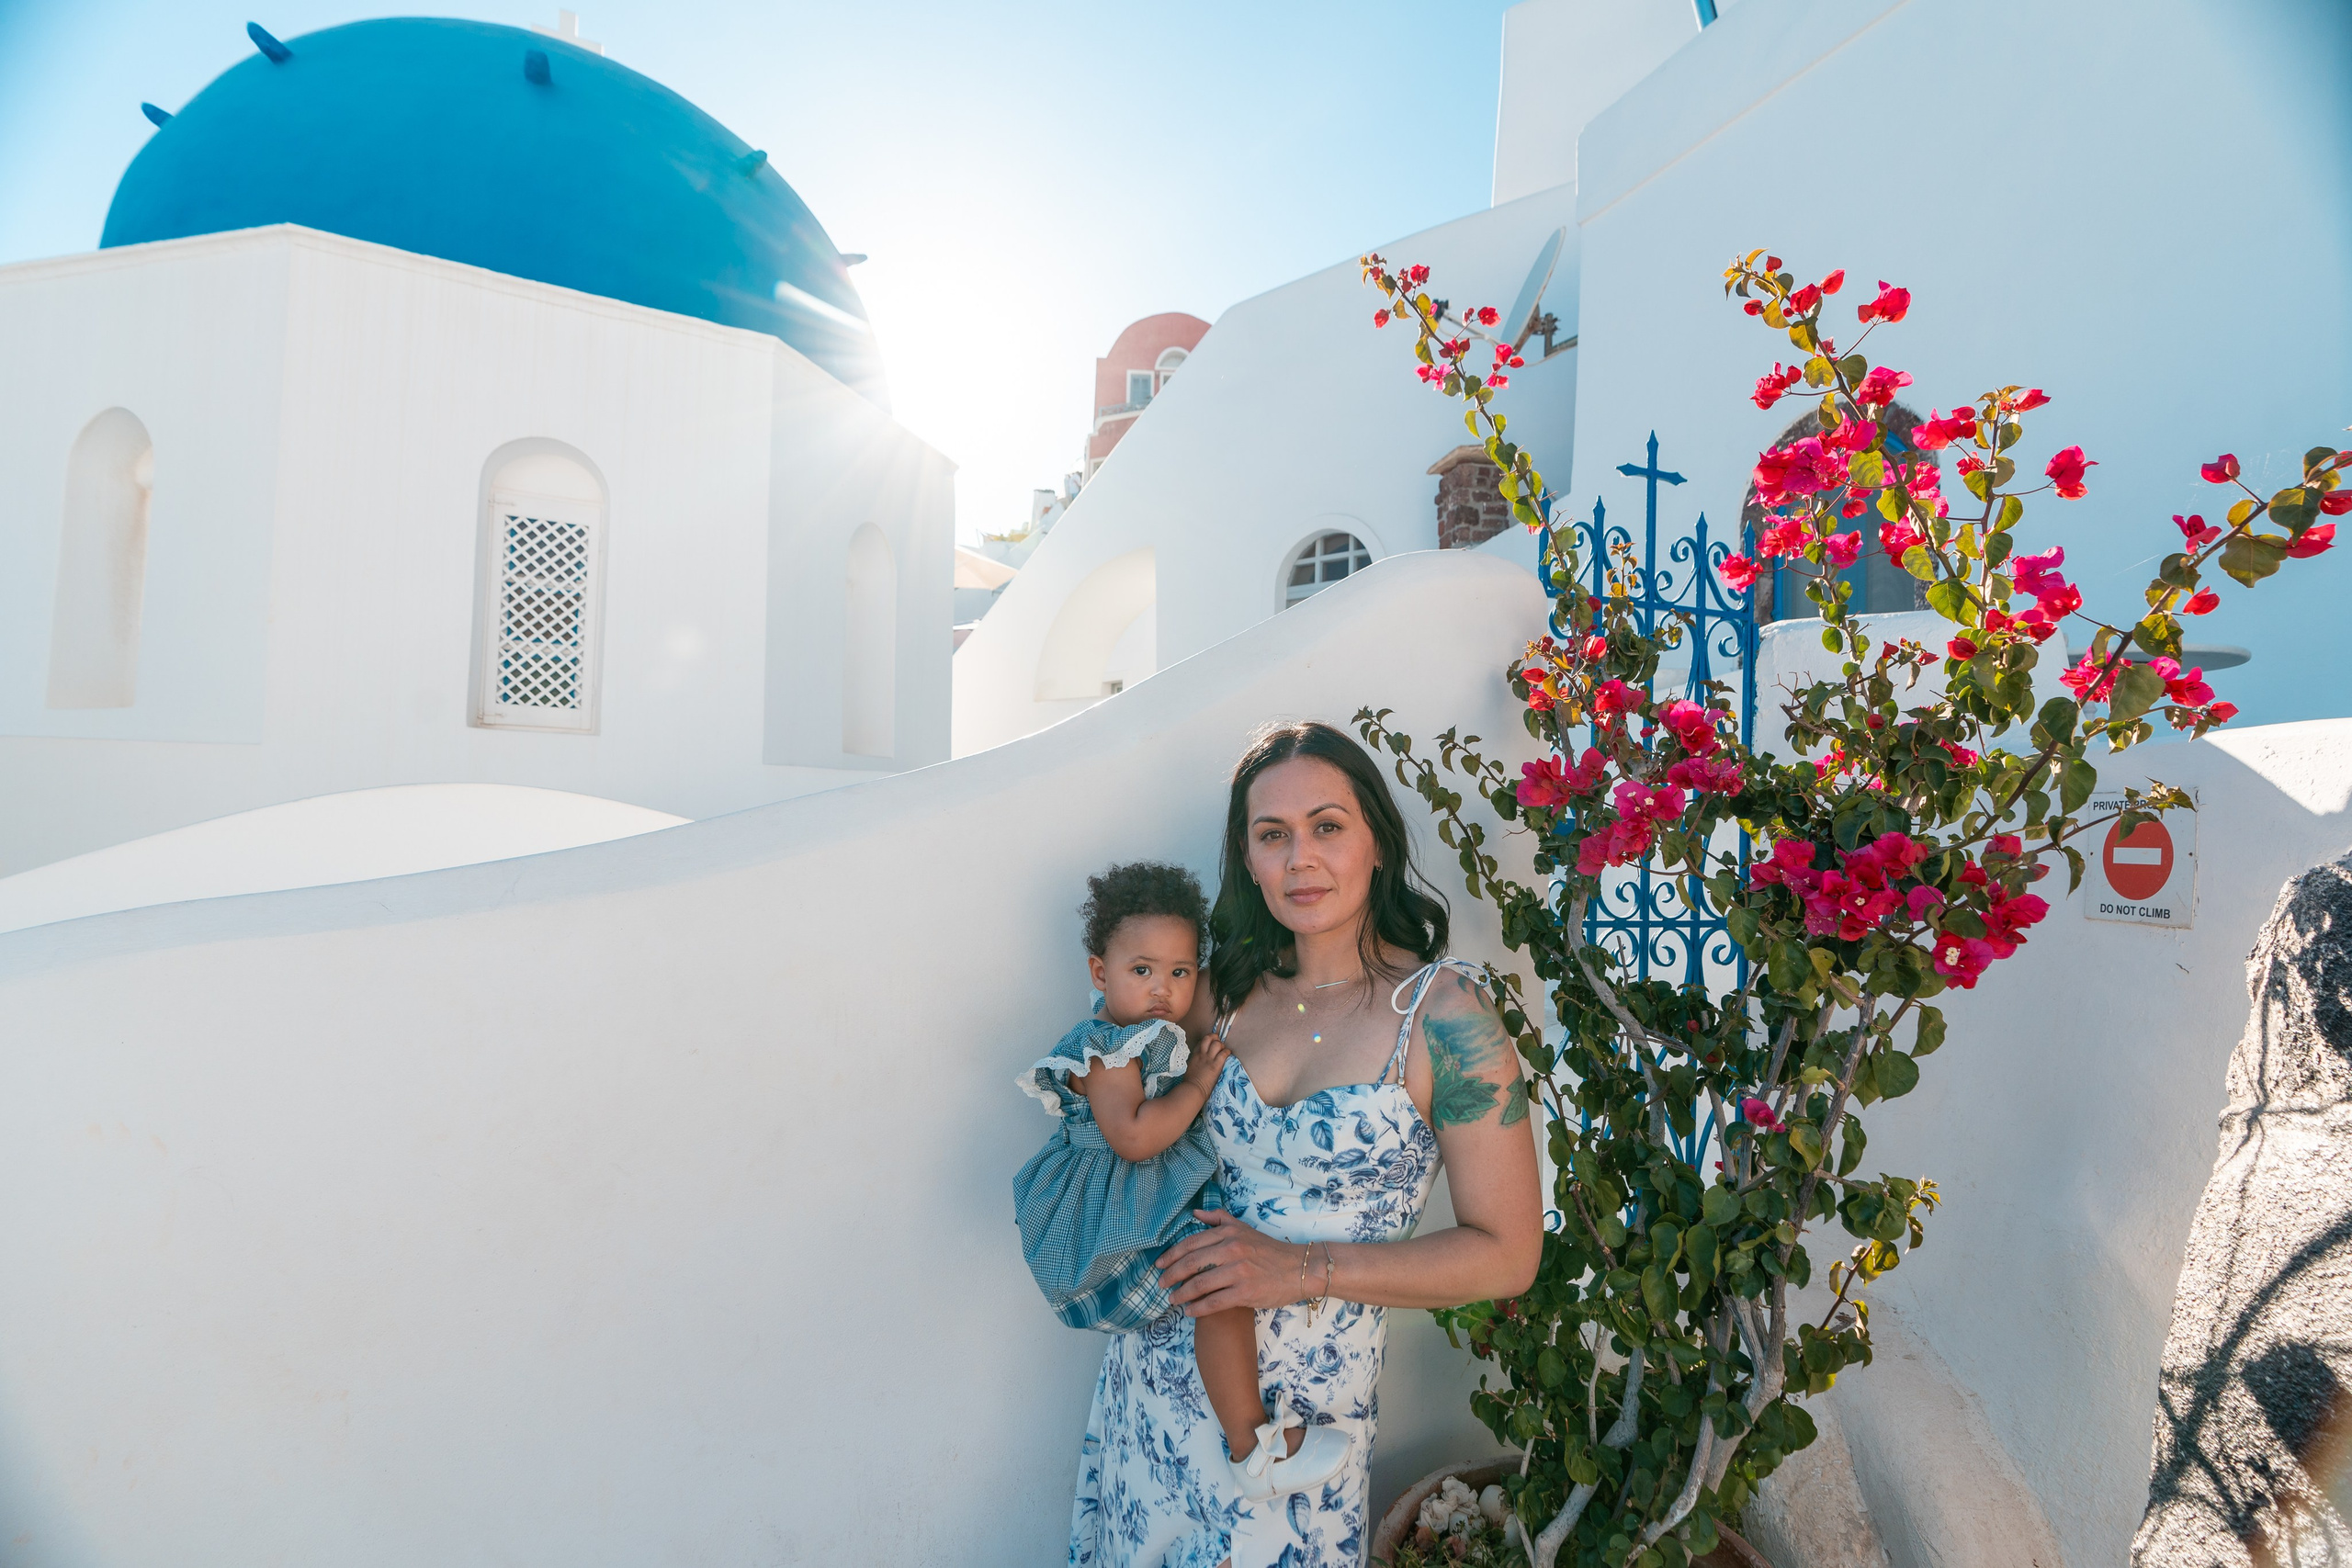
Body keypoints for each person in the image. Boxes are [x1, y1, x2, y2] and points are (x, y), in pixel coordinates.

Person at [1069, 722, 1543, 1568]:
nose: (1300, 858)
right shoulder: (1213, 993)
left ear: (1377, 842)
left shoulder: (1446, 1015)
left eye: (1327, 825)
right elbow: (1108, 1080)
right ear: (1248, 859)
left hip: (1301, 1433)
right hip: (1156, 1394)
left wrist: (1301, 1268)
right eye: (1272, 834)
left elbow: (1509, 1254)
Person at [1015, 863, 1350, 1498]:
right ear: (1100, 973)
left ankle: (1252, 1441)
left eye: (1180, 972)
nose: (1163, 989)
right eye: (1142, 970)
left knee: (1222, 1287)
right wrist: (1198, 1083)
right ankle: (1254, 1449)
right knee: (1222, 1287)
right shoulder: (1107, 1050)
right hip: (1120, 1207)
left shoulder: (1145, 1034)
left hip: (1146, 1195)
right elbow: (1134, 1137)